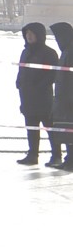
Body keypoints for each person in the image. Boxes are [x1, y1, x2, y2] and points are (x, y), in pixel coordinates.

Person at [14, 23, 58, 167]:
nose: (29, 36)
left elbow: (53, 74)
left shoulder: (49, 53)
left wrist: (39, 86)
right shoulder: (25, 52)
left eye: (32, 33)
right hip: (27, 98)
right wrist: (19, 83)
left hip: (43, 99)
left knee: (50, 128)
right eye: (27, 33)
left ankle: (56, 155)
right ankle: (33, 155)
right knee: (31, 128)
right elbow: (22, 71)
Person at [51, 22, 73, 170]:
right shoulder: (66, 51)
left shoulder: (70, 52)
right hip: (63, 98)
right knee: (66, 131)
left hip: (68, 100)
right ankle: (69, 158)